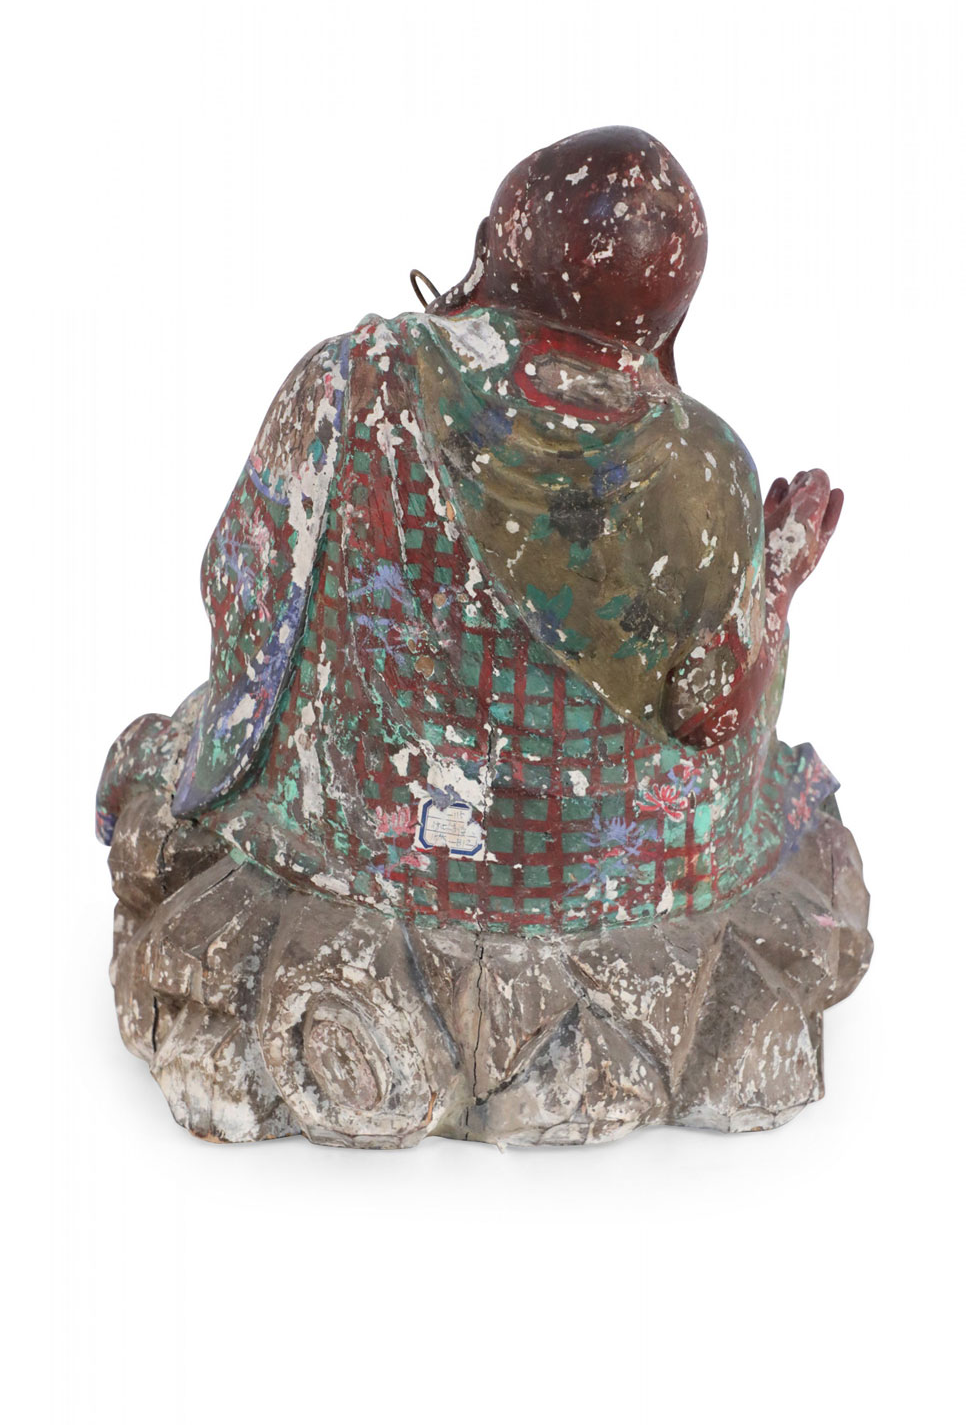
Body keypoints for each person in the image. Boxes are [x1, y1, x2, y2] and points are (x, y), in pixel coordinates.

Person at [98, 126, 845, 936]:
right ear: (669, 318)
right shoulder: (708, 462)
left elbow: (240, 588)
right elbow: (711, 716)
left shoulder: (356, 375)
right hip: (595, 863)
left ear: (492, 246)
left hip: (366, 828)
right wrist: (777, 575)